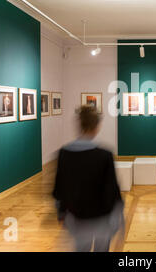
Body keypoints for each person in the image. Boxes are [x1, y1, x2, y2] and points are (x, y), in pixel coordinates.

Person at [52, 106, 124, 251]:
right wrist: (118, 215)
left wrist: (61, 212)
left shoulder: (64, 154)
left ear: (80, 125)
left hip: (76, 219)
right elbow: (112, 190)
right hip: (101, 219)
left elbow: (59, 188)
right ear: (97, 126)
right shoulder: (104, 155)